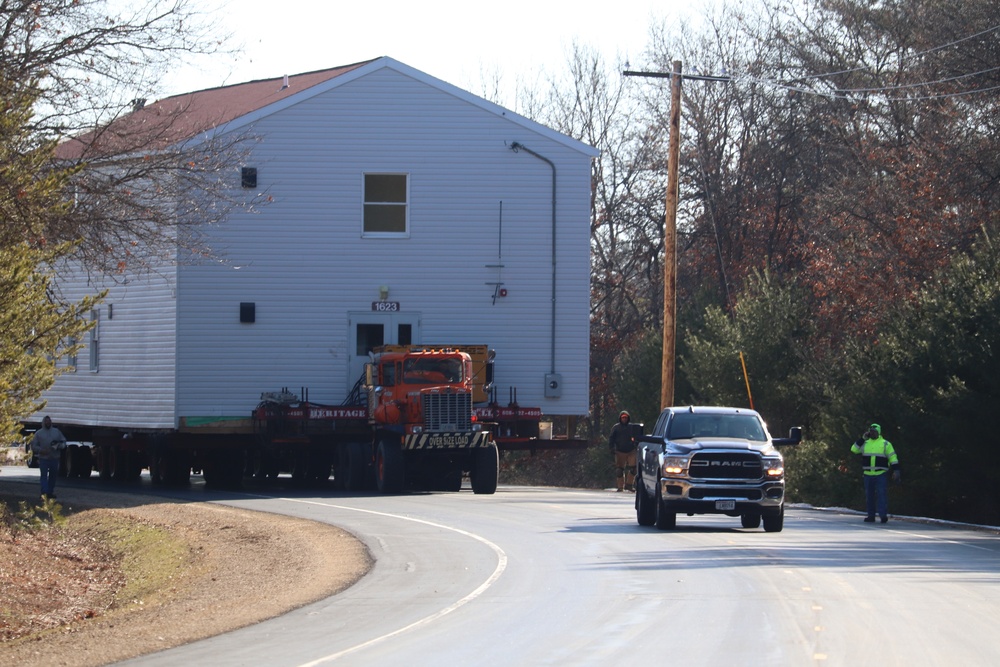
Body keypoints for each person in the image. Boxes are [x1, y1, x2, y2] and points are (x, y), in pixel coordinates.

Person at [850, 423, 901, 523]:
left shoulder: (885, 444)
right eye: (871, 431)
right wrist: (862, 439)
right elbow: (853, 449)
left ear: (879, 432)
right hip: (868, 474)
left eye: (874, 431)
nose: (872, 433)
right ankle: (871, 516)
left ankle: (883, 516)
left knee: (882, 494)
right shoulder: (865, 443)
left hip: (880, 474)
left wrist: (896, 470)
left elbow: (893, 458)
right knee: (869, 496)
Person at [27, 416, 67, 499]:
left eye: (49, 421)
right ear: (43, 422)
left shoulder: (56, 432)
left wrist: (59, 446)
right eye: (46, 421)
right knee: (44, 476)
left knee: (53, 476)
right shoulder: (39, 433)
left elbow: (64, 442)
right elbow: (34, 446)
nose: (48, 423)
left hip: (54, 457)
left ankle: (50, 492)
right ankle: (44, 492)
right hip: (43, 458)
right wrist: (41, 450)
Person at [608, 411, 637, 492]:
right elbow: (611, 438)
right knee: (619, 470)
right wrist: (611, 448)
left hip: (631, 450)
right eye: (623, 417)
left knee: (634, 469)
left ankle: (629, 485)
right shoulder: (616, 427)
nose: (624, 419)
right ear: (620, 418)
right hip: (620, 451)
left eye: (626, 417)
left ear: (628, 418)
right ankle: (620, 486)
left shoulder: (632, 427)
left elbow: (637, 437)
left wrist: (636, 445)